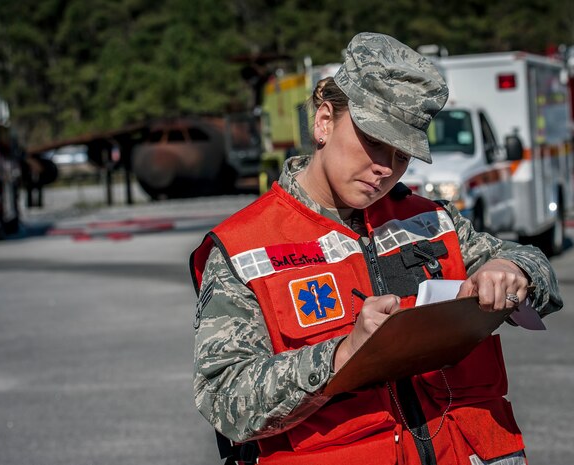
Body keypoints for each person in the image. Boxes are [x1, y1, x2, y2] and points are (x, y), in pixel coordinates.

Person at [190, 32, 563, 465]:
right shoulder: (243, 247)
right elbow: (224, 400)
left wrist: (512, 269)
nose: (385, 168)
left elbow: (539, 271)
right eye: (373, 142)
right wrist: (344, 355)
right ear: (324, 122)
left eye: (402, 154)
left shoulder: (431, 220)